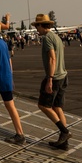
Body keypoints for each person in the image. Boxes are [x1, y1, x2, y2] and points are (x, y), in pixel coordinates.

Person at [33, 13, 70, 149]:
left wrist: (49, 79)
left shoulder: (47, 38)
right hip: (63, 76)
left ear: (42, 25)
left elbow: (52, 59)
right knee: (57, 107)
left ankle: (64, 131)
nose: (37, 28)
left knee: (43, 105)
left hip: (54, 77)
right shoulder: (56, 37)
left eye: (37, 25)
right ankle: (64, 142)